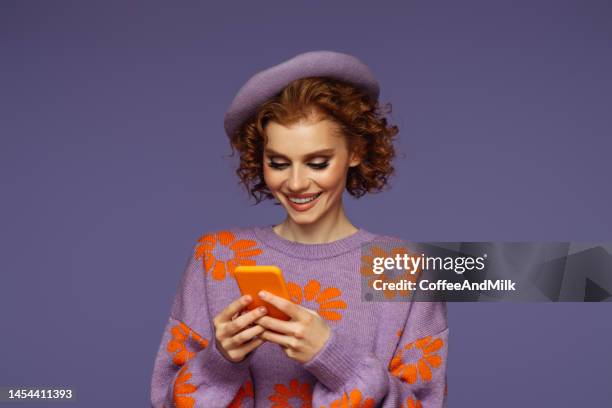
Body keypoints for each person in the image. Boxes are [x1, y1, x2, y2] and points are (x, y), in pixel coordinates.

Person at [150, 51, 448, 408]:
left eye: (317, 162)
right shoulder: (215, 256)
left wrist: (333, 358)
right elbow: (165, 401)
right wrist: (220, 361)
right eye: (278, 163)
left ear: (355, 152)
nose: (295, 183)